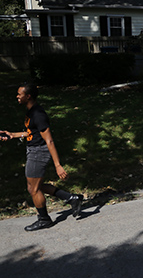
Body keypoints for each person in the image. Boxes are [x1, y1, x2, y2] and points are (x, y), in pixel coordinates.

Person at [1, 83, 83, 231]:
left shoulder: (38, 114)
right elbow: (31, 133)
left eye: (19, 94)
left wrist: (58, 165)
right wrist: (12, 135)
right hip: (33, 150)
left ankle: (44, 219)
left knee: (33, 189)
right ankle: (72, 198)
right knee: (34, 187)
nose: (17, 96)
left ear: (28, 96)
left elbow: (49, 140)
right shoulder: (31, 112)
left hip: (39, 152)